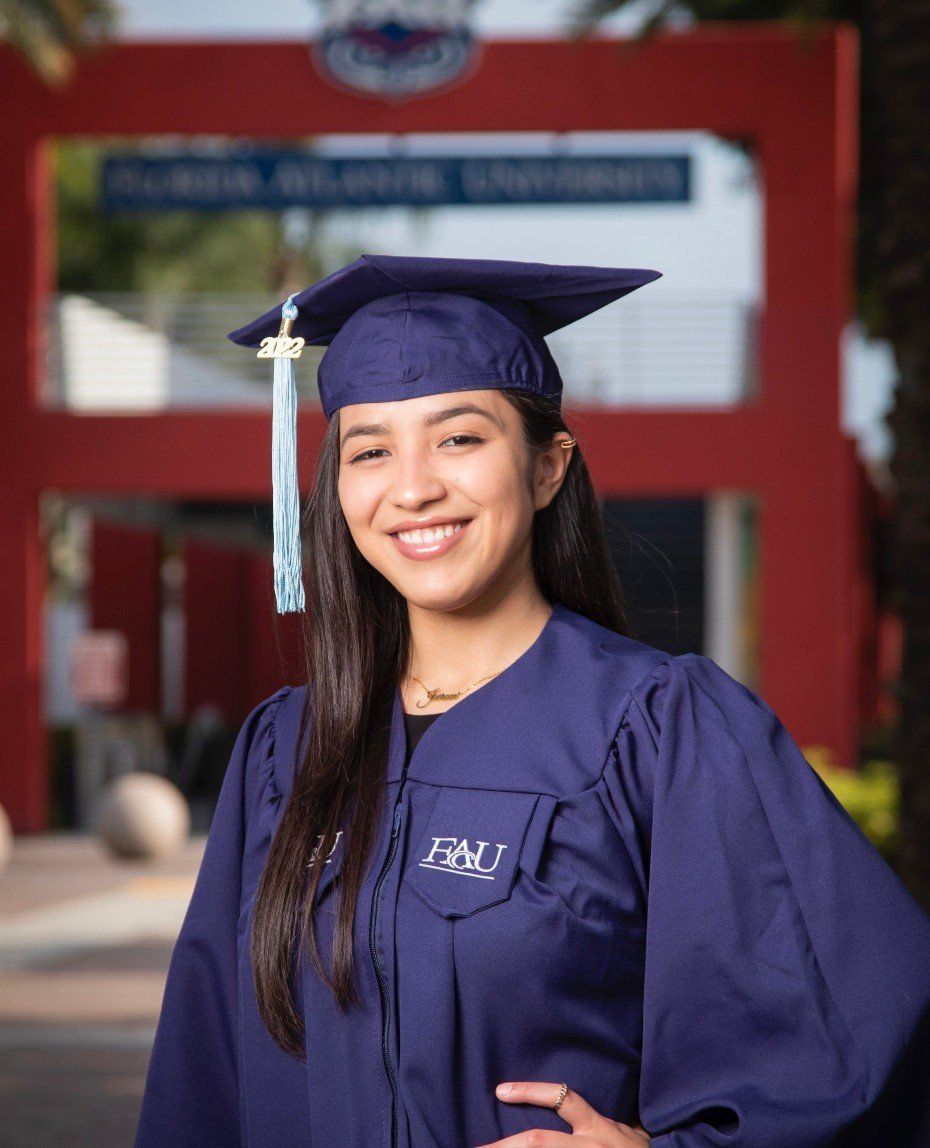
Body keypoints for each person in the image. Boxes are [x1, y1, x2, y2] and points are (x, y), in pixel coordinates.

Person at [134, 254, 930, 1148]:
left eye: (460, 438)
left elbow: (856, 1037)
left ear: (548, 468)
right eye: (370, 451)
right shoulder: (286, 748)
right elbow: (201, 1075)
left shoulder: (662, 732)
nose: (412, 487)